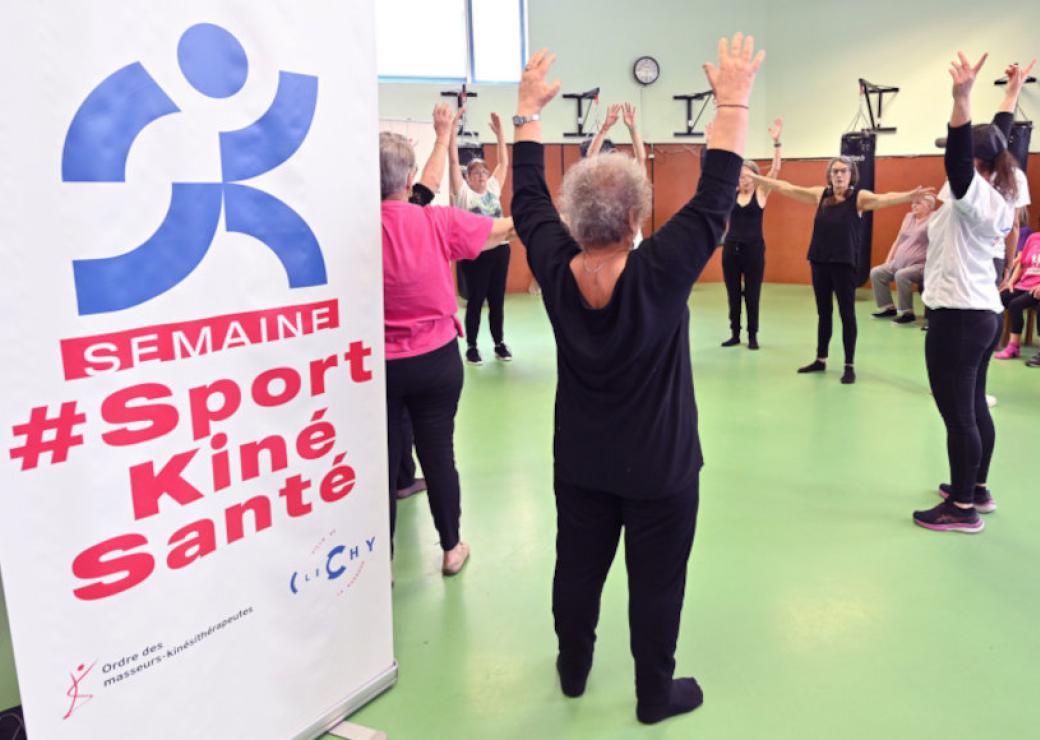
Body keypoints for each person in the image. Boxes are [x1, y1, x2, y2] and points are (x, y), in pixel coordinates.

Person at [510, 35, 762, 723]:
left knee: (576, 569)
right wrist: (733, 97)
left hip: (582, 460)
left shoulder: (556, 266)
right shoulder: (660, 270)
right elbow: (718, 190)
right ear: (635, 219)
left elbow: (527, 194)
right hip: (661, 468)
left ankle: (573, 666)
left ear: (573, 219)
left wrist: (527, 112)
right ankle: (655, 694)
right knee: (658, 585)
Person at [380, 128, 513, 574]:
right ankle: (451, 547)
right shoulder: (435, 221)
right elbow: (500, 229)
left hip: (379, 367)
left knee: (382, 458)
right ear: (409, 180)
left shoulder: (355, 229)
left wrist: (443, 138)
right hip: (435, 360)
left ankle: (385, 560)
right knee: (439, 455)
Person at [912, 53, 1022, 533]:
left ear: (975, 164)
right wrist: (1012, 94)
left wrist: (961, 97)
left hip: (958, 317)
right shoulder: (1001, 184)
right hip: (980, 314)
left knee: (959, 415)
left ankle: (961, 509)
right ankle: (975, 487)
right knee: (973, 406)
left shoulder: (971, 192)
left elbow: (960, 156)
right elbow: (997, 135)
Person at [750, 159, 933, 384]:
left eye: (843, 171)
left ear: (850, 175)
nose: (838, 175)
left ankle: (849, 365)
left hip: (844, 265)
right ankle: (820, 359)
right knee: (823, 313)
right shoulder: (821, 195)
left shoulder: (859, 197)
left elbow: (883, 198)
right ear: (830, 175)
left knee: (847, 315)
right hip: (819, 261)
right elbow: (787, 187)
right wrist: (756, 177)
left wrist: (908, 196)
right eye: (835, 171)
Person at [450, 112, 513, 365]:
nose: (481, 176)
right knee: (476, 300)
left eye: (484, 172)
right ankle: (472, 346)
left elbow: (504, 163)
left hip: (500, 250)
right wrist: (452, 133)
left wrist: (500, 135)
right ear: (468, 177)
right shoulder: (464, 193)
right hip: (476, 253)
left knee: (497, 300)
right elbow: (454, 164)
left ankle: (499, 343)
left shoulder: (494, 188)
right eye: (475, 173)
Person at [720, 117, 782, 349]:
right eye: (739, 175)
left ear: (755, 176)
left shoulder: (762, 192)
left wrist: (777, 143)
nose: (742, 179)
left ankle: (752, 335)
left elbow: (775, 170)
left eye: (746, 175)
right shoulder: (731, 194)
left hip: (754, 250)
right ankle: (735, 333)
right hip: (731, 249)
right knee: (733, 294)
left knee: (752, 294)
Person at [587, 103, 648, 247]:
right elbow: (591, 156)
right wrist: (605, 128)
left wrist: (632, 129)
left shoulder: (629, 182)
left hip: (631, 241)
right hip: (606, 239)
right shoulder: (599, 182)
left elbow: (641, 158)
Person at [869, 194, 937, 323]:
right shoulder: (909, 217)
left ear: (929, 206)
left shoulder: (934, 219)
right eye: (913, 203)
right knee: (877, 272)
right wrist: (888, 260)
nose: (914, 205)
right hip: (899, 262)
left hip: (920, 265)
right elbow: (899, 239)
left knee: (902, 275)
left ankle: (907, 313)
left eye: (918, 203)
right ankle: (888, 308)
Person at [993, 231, 1040, 359]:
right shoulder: (1033, 238)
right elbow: (1022, 263)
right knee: (997, 299)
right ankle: (993, 340)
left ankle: (1013, 346)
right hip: (1024, 284)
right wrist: (1010, 282)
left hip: (1037, 287)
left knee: (1015, 305)